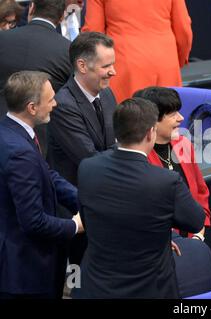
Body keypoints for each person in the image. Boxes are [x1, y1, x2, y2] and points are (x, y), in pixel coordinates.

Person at [75, 97, 204, 298]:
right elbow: (196, 221)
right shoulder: (166, 181)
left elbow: (90, 218)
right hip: (149, 288)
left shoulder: (87, 168)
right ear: (150, 133)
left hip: (95, 287)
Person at [0, 71, 84, 299]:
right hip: (25, 274)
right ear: (32, 107)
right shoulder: (19, 152)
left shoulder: (10, 132)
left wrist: (86, 200)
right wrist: (75, 225)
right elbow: (33, 222)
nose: (56, 104)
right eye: (50, 100)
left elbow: (47, 175)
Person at [133, 86, 211, 297]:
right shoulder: (138, 157)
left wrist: (199, 232)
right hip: (159, 251)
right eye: (172, 114)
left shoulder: (183, 144)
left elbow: (200, 190)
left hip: (193, 240)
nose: (181, 118)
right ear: (153, 121)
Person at [46, 31, 117, 267]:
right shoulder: (63, 105)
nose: (113, 72)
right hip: (77, 210)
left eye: (113, 64)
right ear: (82, 65)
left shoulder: (107, 95)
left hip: (105, 200)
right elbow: (91, 159)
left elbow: (116, 143)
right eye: (106, 66)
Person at [82, 0, 193, 103]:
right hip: (165, 63)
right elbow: (184, 29)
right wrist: (178, 60)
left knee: (129, 119)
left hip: (124, 65)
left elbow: (93, 33)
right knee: (167, 117)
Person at [0, 0, 72, 154]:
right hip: (43, 140)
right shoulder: (68, 50)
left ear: (31, 8)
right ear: (61, 18)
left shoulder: (3, 39)